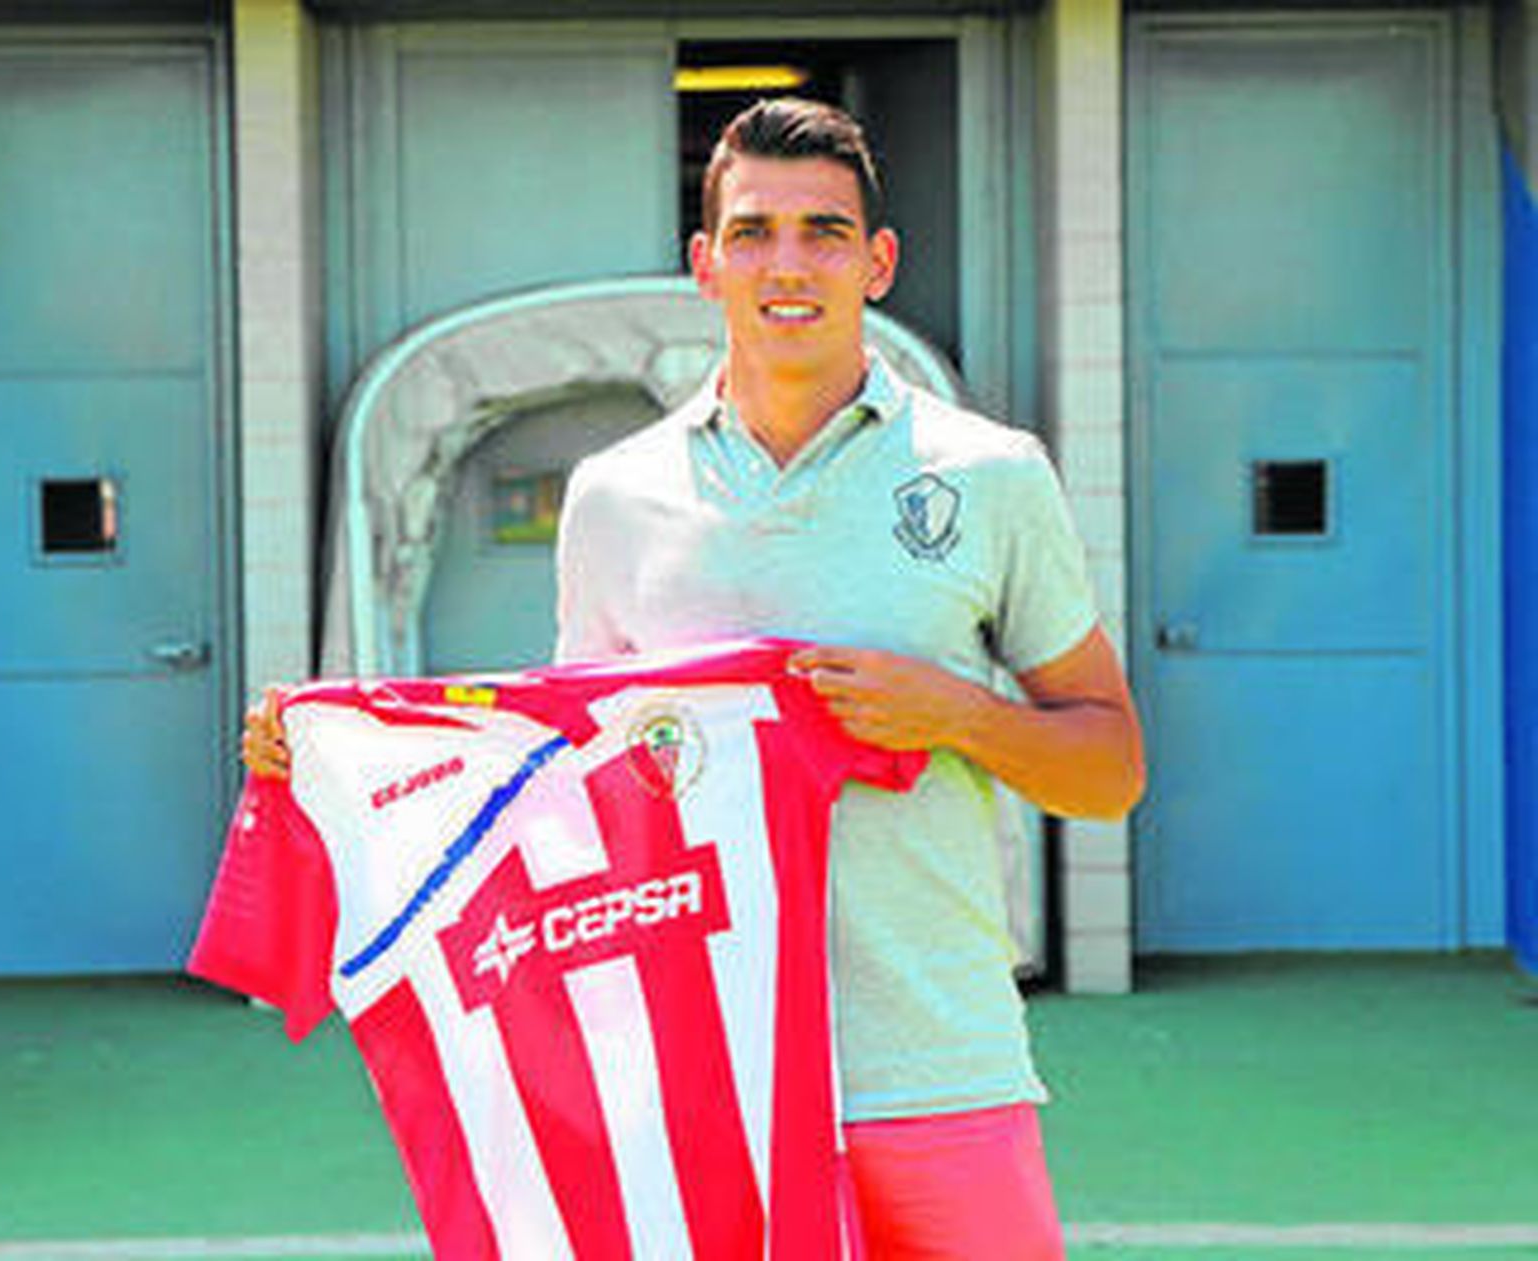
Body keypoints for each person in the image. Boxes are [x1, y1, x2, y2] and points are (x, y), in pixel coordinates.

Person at [244, 97, 1144, 1261]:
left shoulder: (993, 475)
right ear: (704, 264)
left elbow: (1111, 766)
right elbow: (561, 783)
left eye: (823, 233)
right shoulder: (617, 496)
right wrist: (328, 750)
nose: (788, 264)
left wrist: (956, 714)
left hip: (938, 1063)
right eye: (754, 231)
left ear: (877, 264)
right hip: (708, 1083)